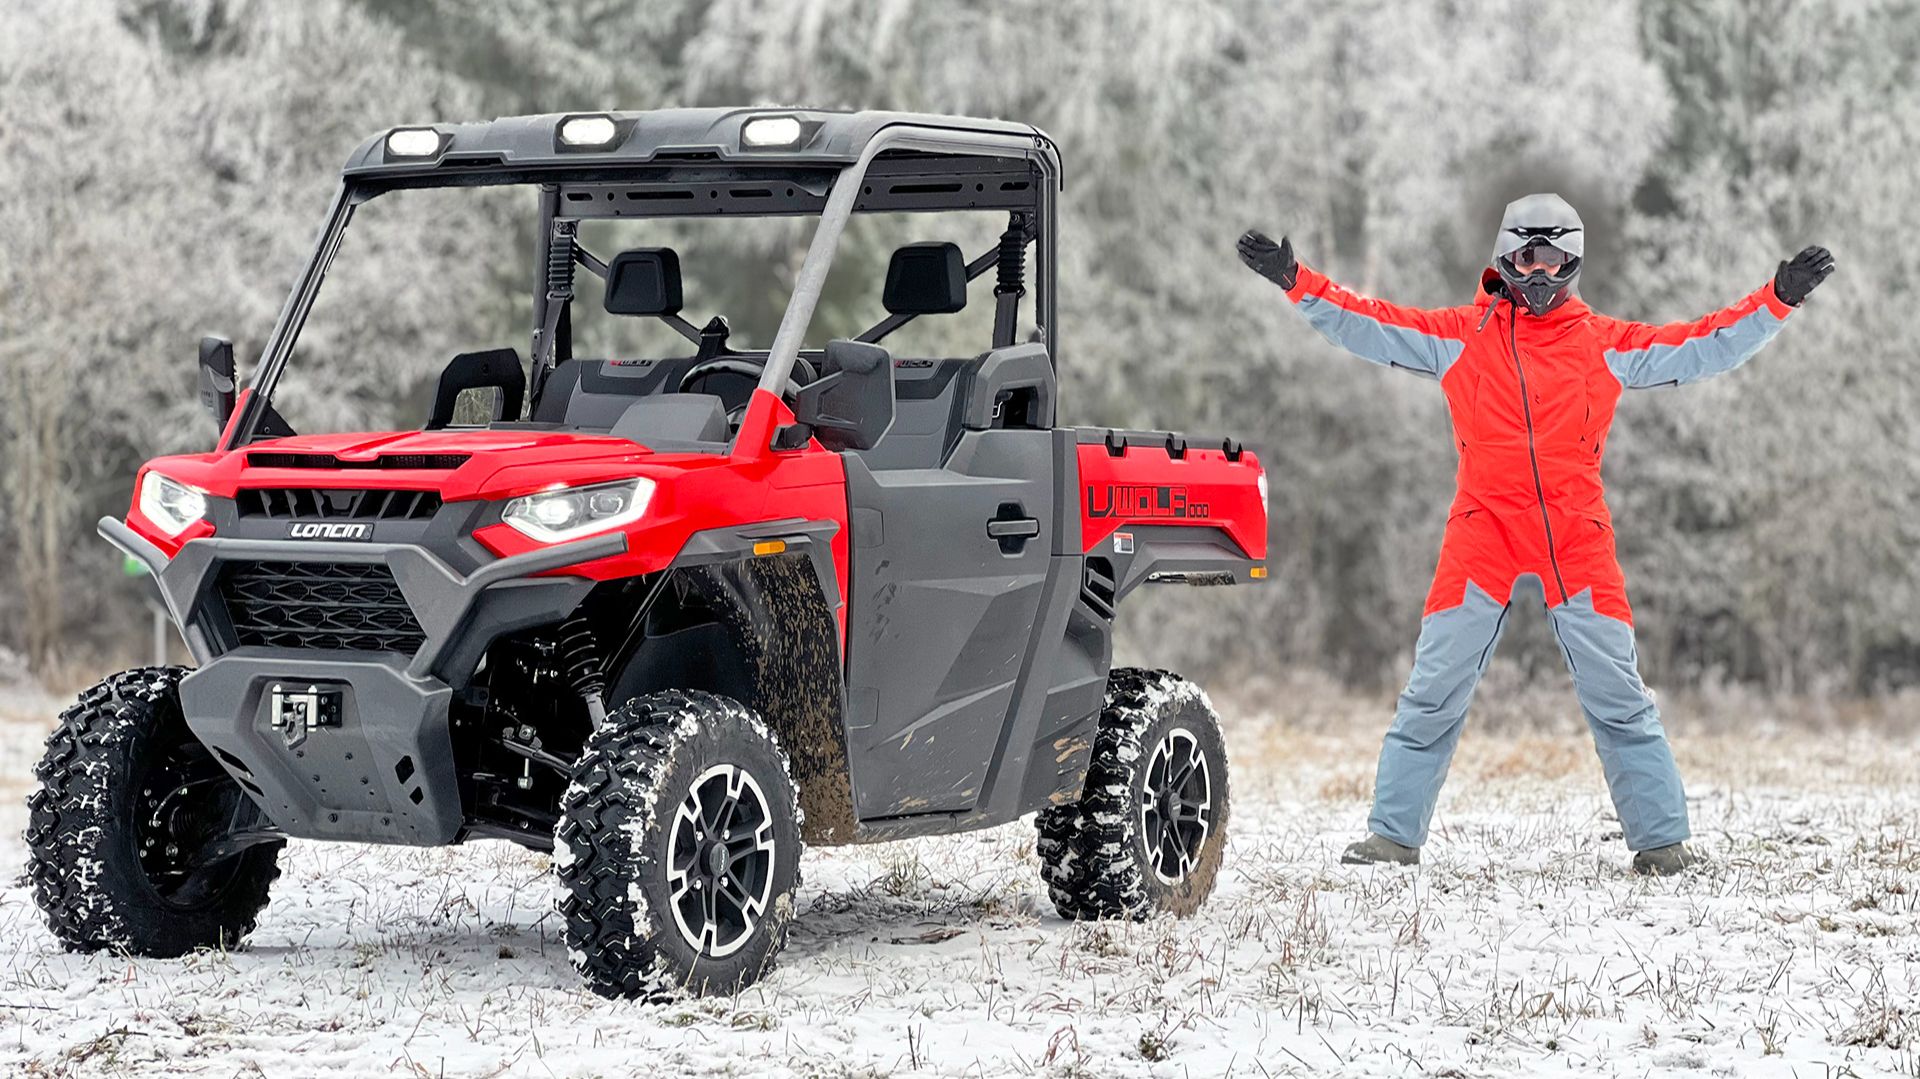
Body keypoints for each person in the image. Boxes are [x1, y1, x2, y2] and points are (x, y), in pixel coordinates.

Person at [1237, 195, 1834, 875]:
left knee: (1618, 691)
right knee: (1434, 685)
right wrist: (1297, 281)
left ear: (1574, 263)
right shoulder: (1462, 334)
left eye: (1554, 259)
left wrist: (1776, 299)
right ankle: (1393, 835)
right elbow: (1373, 325)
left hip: (1575, 536)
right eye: (1527, 257)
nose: (1540, 273)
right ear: (1504, 259)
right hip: (1482, 531)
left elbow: (1700, 347)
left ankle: (1662, 841)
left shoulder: (1602, 343)